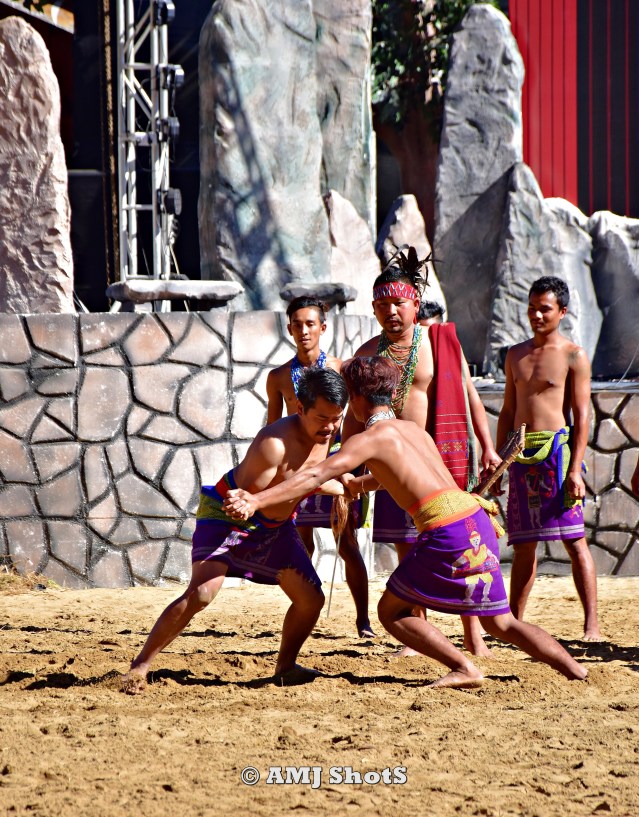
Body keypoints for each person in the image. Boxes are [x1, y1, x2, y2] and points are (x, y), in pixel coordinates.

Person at [223, 356, 587, 688]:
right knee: (502, 623)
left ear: (357, 399)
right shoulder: (414, 431)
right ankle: (577, 671)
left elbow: (314, 476)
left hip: (446, 532)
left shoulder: (370, 439)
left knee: (391, 611)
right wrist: (356, 486)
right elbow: (392, 478)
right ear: (391, 394)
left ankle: (463, 667)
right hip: (473, 519)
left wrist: (256, 500)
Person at [120, 368, 348, 694]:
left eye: (336, 419)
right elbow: (254, 499)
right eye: (322, 418)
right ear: (300, 409)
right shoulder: (274, 443)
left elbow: (308, 480)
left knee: (311, 600)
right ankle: (140, 665)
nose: (329, 427)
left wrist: (339, 487)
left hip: (274, 524)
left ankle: (285, 666)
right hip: (230, 514)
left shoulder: (330, 437)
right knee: (201, 593)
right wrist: (325, 486)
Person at [344, 258, 500, 656]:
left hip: (440, 455)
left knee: (465, 546)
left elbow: (469, 395)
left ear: (415, 304)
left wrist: (488, 447)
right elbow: (351, 415)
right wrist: (349, 468)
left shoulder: (440, 342)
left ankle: (473, 636)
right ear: (374, 309)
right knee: (406, 545)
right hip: (395, 462)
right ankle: (416, 631)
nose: (391, 312)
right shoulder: (366, 355)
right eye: (382, 305)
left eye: (399, 303)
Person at [496, 276, 601, 641]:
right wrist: (498, 459)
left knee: (574, 541)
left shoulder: (574, 355)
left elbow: (582, 415)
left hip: (558, 455)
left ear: (562, 312)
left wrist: (575, 468)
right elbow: (508, 411)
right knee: (523, 543)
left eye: (545, 308)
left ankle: (592, 625)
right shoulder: (515, 354)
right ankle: (512, 621)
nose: (537, 315)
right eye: (532, 308)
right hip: (521, 454)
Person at [265, 296, 374, 637]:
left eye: (310, 323)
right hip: (297, 469)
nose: (303, 330)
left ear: (323, 328)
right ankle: (306, 611)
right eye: (297, 324)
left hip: (336, 465)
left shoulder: (342, 369)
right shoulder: (279, 376)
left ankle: (363, 621)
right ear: (289, 329)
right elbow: (271, 429)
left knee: (348, 544)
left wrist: (349, 465)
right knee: (302, 543)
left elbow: (357, 419)